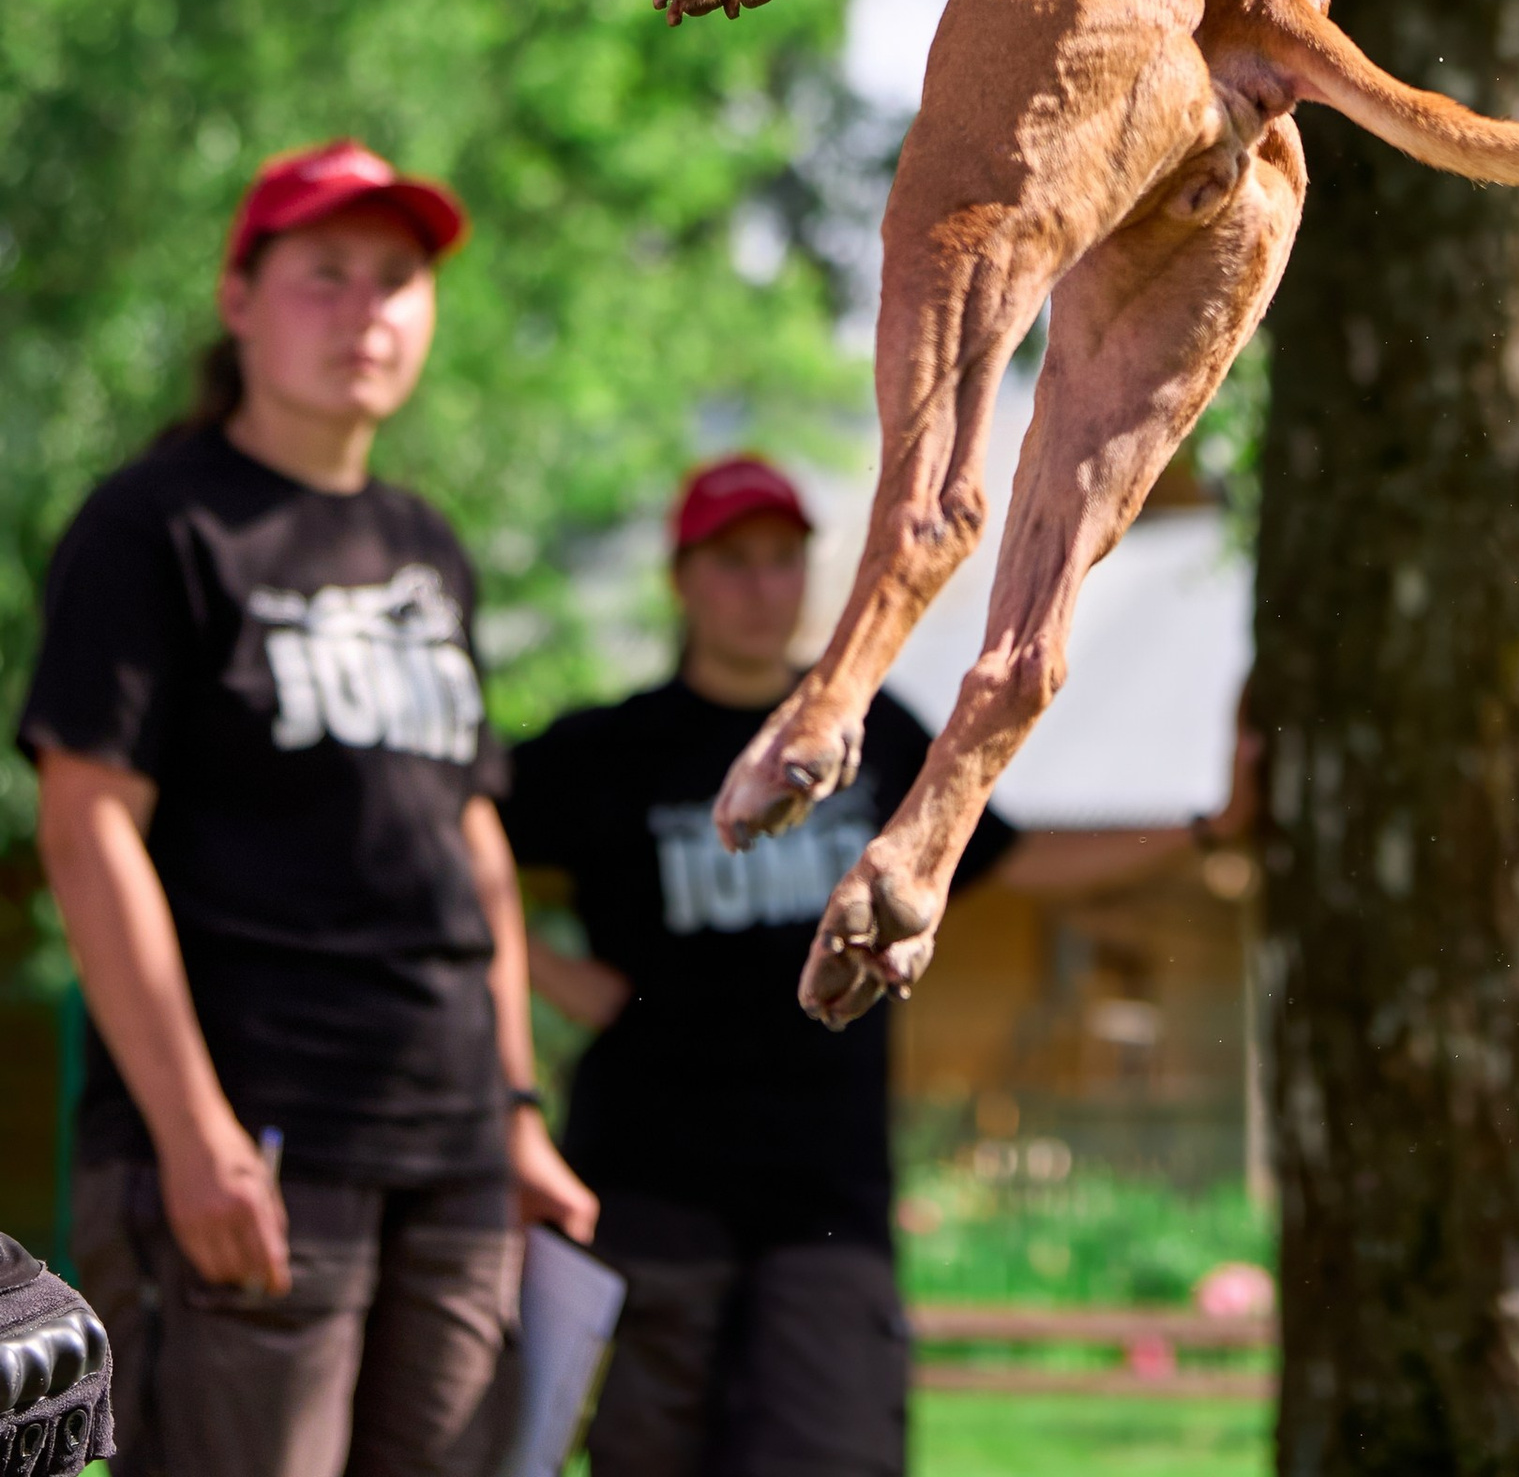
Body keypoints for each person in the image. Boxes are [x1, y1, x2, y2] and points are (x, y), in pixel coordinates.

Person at [21, 139, 597, 1477]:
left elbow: (475, 843)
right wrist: (192, 1129)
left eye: (397, 279)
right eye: (323, 275)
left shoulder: (428, 545)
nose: (367, 310)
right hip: (262, 1147)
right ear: (240, 300)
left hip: (452, 1152)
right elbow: (86, 823)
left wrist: (514, 1109)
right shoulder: (154, 524)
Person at [506, 452, 1246, 1477]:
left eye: (780, 560)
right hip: (647, 1186)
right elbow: (450, 835)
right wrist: (548, 971)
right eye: (732, 562)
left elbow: (1013, 856)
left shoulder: (870, 737)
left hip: (825, 1199)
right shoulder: (614, 749)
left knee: (836, 1450)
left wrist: (1209, 831)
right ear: (682, 579)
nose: (760, 585)